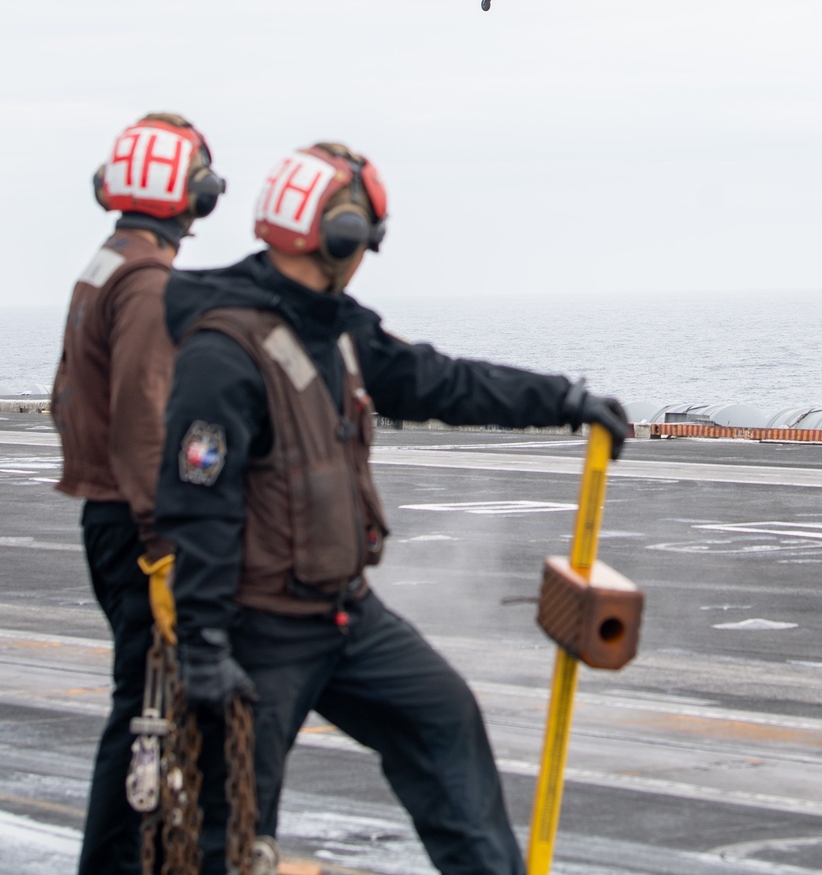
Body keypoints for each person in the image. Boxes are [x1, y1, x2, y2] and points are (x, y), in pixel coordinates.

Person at [154, 141, 629, 875]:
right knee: (232, 826)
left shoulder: (334, 328)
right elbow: (197, 508)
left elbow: (439, 381)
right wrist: (205, 646)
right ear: (342, 235)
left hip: (346, 616)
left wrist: (562, 398)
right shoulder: (225, 350)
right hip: (259, 631)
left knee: (444, 721)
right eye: (365, 239)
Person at [50, 112, 226, 875]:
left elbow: (68, 400)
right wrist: (165, 543)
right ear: (191, 197)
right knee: (145, 720)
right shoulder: (149, 284)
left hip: (107, 514)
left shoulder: (106, 263)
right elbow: (143, 425)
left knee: (141, 713)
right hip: (137, 527)